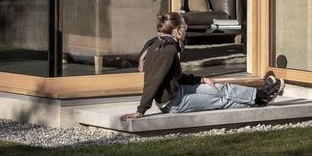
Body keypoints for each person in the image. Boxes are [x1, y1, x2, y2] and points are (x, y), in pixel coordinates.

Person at [121, 11, 283, 120]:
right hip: (173, 103)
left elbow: (174, 77)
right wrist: (141, 110)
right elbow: (153, 81)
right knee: (221, 100)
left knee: (220, 88)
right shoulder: (168, 49)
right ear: (177, 31)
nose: (186, 31)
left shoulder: (158, 42)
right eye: (185, 28)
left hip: (178, 90)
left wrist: (202, 79)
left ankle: (261, 94)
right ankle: (260, 101)